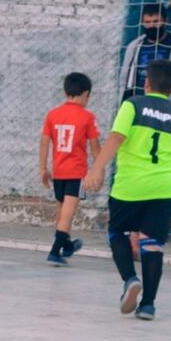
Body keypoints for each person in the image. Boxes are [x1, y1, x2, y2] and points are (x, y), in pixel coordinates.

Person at [85, 59, 171, 321]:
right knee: (152, 244)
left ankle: (130, 279)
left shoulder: (132, 105)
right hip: (164, 187)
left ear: (146, 83)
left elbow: (115, 138)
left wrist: (97, 169)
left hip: (131, 186)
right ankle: (148, 305)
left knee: (117, 233)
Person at [118, 2, 171, 247]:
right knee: (134, 168)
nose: (152, 26)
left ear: (165, 20)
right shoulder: (135, 46)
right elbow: (125, 81)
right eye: (148, 22)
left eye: (157, 21)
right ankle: (133, 226)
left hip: (167, 119)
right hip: (139, 120)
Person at [39, 72, 101, 266]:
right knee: (68, 212)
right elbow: (94, 146)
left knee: (61, 209)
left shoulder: (53, 114)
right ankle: (55, 251)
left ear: (66, 91)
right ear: (85, 94)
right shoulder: (88, 117)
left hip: (58, 171)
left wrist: (43, 168)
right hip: (77, 173)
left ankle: (66, 244)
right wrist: (99, 169)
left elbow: (44, 142)